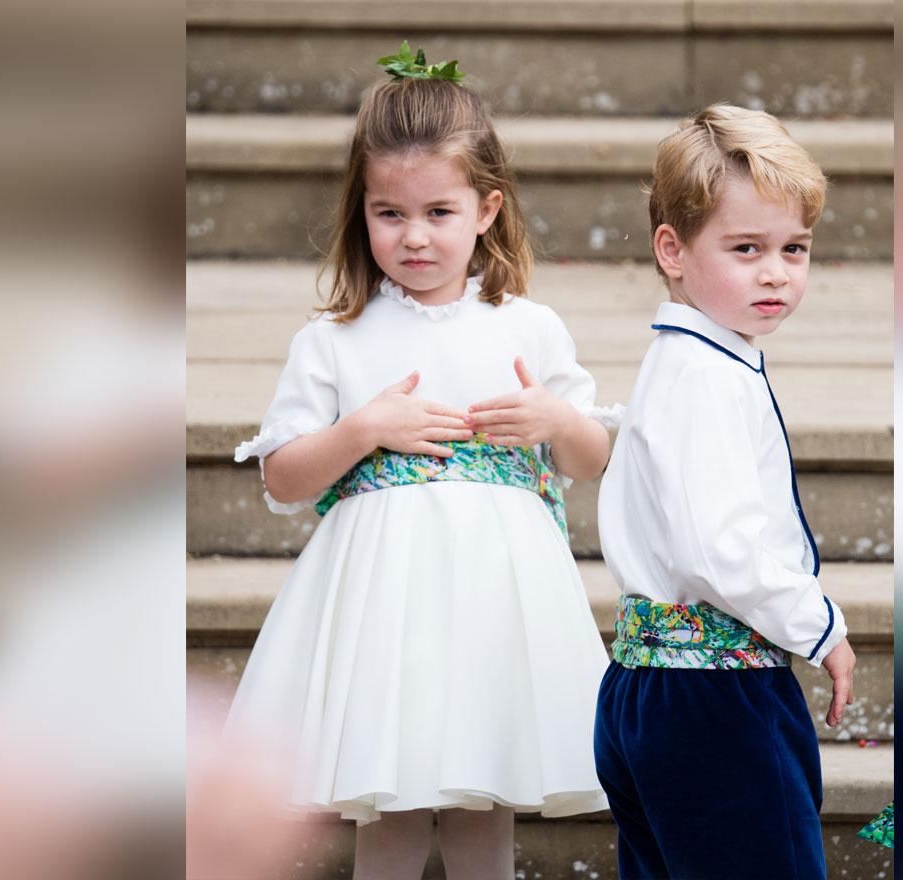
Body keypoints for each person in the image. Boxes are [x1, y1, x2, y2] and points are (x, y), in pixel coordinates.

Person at [226, 46, 613, 880]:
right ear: (359, 212)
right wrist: (362, 429)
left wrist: (553, 417)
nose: (413, 236)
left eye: (439, 211)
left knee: (485, 811)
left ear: (486, 209)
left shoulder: (528, 327)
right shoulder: (334, 339)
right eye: (388, 213)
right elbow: (284, 478)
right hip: (384, 606)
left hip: (496, 597)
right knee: (391, 808)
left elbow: (591, 457)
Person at [594, 104, 859, 880]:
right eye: (746, 249)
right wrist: (819, 626)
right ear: (671, 250)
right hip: (717, 702)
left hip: (647, 692)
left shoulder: (685, 363)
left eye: (794, 249)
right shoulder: (708, 379)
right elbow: (722, 546)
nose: (775, 271)